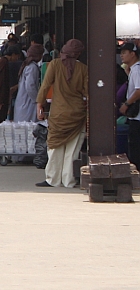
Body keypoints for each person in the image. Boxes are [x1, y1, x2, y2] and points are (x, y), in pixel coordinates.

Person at [36, 39, 88, 188]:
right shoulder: (83, 69)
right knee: (72, 151)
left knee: (54, 147)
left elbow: (45, 85)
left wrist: (39, 105)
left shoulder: (55, 64)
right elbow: (87, 91)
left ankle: (53, 179)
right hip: (77, 114)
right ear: (78, 53)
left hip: (58, 113)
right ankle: (68, 180)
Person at [118, 42, 140, 167]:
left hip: (137, 116)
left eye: (124, 53)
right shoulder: (133, 70)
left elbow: (138, 91)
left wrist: (126, 104)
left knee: (135, 146)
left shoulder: (136, 70)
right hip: (135, 116)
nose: (122, 56)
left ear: (133, 54)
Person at [14, 44, 44, 125]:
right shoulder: (32, 67)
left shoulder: (26, 65)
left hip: (22, 101)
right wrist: (37, 100)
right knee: (28, 129)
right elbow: (30, 86)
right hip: (28, 103)